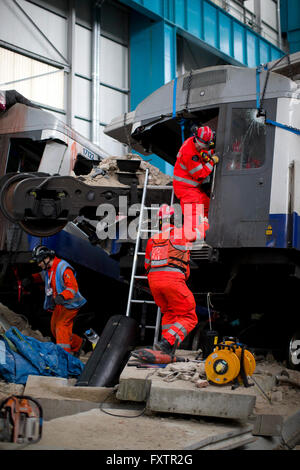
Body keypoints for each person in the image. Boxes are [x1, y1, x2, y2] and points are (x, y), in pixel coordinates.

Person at [132, 205, 202, 364]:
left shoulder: (152, 240)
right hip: (173, 281)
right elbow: (199, 234)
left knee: (170, 313)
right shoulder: (179, 233)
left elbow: (147, 265)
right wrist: (203, 221)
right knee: (189, 316)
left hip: (154, 283)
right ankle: (166, 343)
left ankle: (167, 352)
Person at [31, 245, 87, 355]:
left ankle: (65, 357)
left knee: (61, 328)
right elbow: (45, 276)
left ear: (46, 258)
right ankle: (78, 343)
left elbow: (73, 287)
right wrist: (31, 279)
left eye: (39, 261)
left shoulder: (63, 267)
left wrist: (62, 296)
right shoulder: (49, 268)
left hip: (70, 304)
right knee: (54, 328)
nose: (38, 264)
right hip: (60, 304)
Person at [173, 126, 219, 241]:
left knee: (208, 206)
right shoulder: (189, 154)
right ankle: (182, 245)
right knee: (192, 226)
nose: (200, 147)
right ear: (196, 138)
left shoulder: (192, 142)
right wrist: (212, 161)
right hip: (186, 191)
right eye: (200, 145)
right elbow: (201, 174)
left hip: (193, 189)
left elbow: (200, 152)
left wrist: (209, 153)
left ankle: (205, 233)